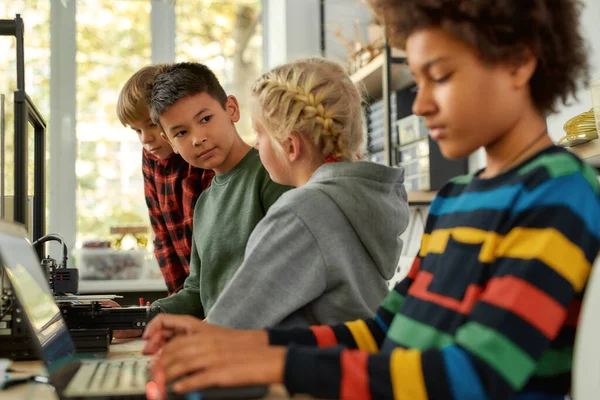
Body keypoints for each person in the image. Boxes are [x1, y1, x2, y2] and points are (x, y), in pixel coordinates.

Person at [143, 0, 600, 398]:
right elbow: (384, 330)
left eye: (438, 76)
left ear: (519, 62)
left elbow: (475, 377)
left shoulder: (558, 194)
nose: (419, 105)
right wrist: (242, 346)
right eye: (417, 80)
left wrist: (279, 365)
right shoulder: (456, 198)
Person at [203, 58, 409, 329]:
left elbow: (227, 327)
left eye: (259, 133)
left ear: (290, 146)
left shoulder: (302, 212)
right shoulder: (361, 199)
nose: (255, 143)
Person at [147, 62, 290, 318]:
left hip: (257, 345)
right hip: (220, 344)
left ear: (231, 109)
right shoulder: (203, 204)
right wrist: (138, 317)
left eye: (205, 119)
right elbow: (196, 292)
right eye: (181, 132)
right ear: (170, 143)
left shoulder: (272, 175)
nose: (197, 138)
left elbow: (286, 279)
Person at [117, 64, 214, 295]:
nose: (146, 139)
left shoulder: (201, 153)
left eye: (151, 125)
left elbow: (213, 242)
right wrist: (178, 300)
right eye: (136, 131)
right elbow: (161, 235)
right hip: (186, 289)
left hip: (215, 288)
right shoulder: (150, 158)